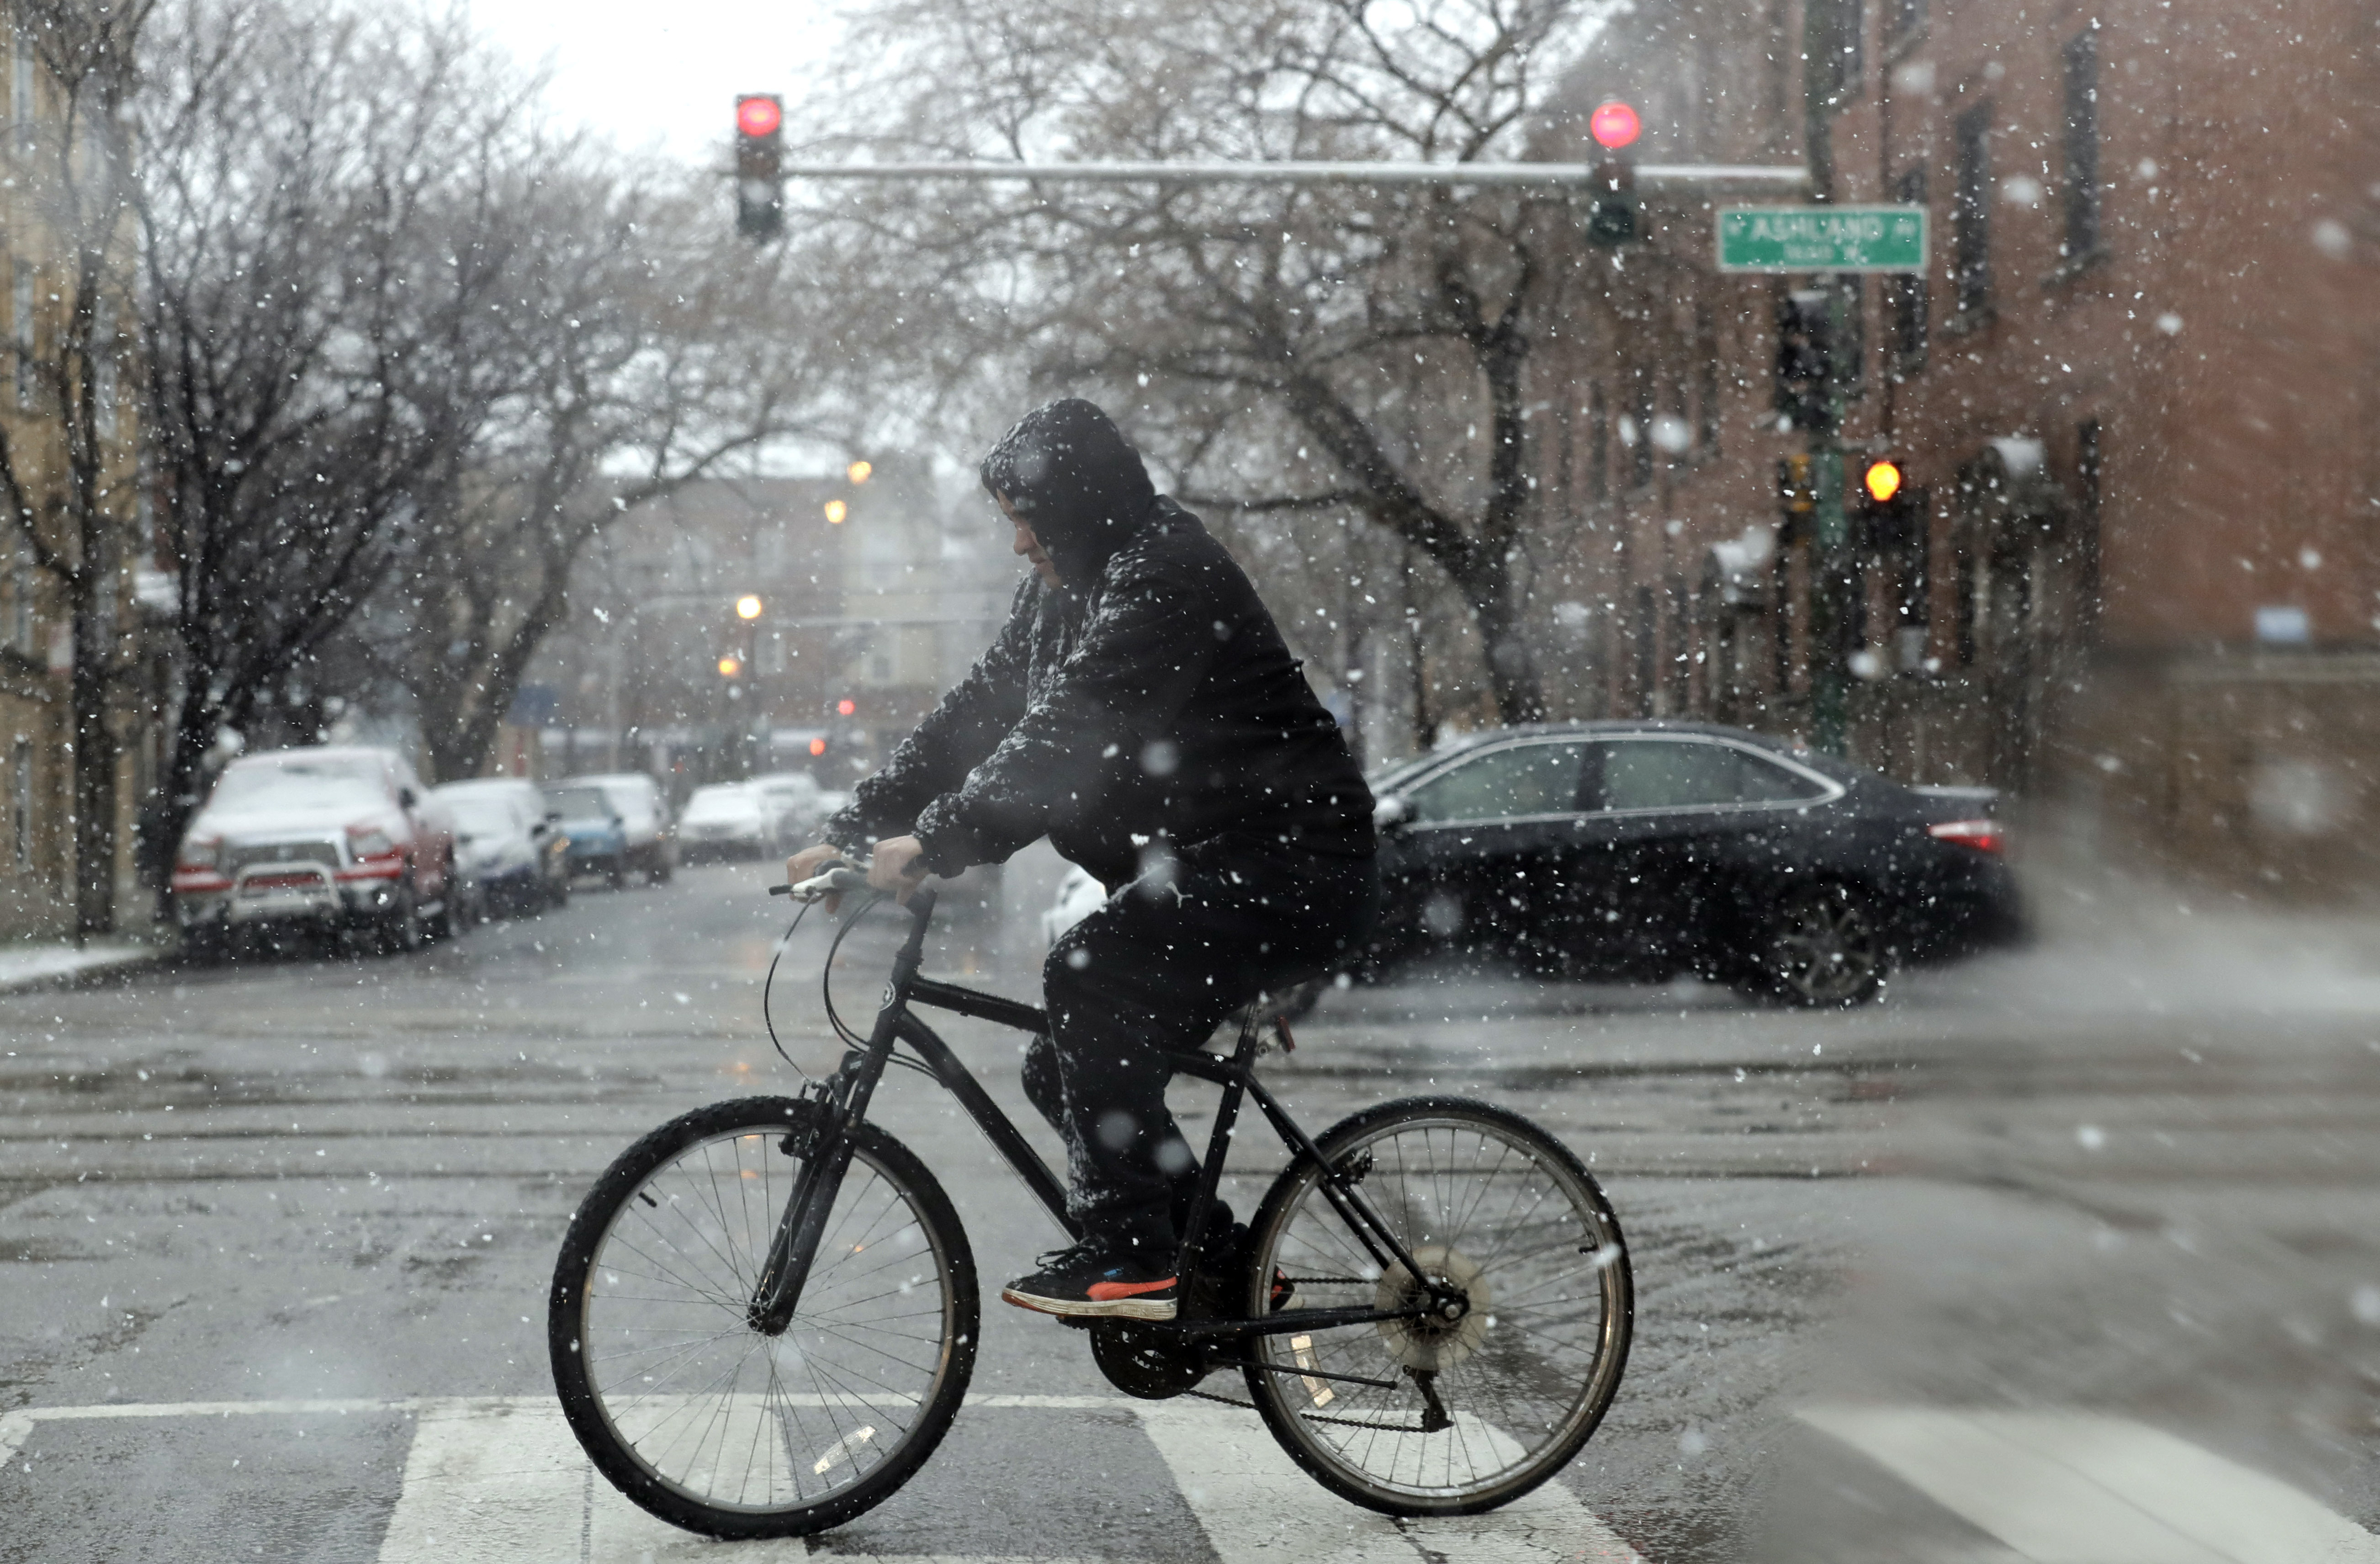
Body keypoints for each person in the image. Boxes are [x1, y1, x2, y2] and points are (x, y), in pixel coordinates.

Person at [784, 398, 1377, 1321]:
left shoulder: (1163, 577)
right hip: (1224, 863)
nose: (1019, 544)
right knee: (1053, 1064)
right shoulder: (1072, 584)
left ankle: (1139, 1256)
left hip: (1289, 863)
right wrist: (861, 822)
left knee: (1087, 978)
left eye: (1027, 520)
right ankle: (1215, 1262)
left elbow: (1068, 740)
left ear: (1080, 509)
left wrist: (937, 841)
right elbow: (980, 712)